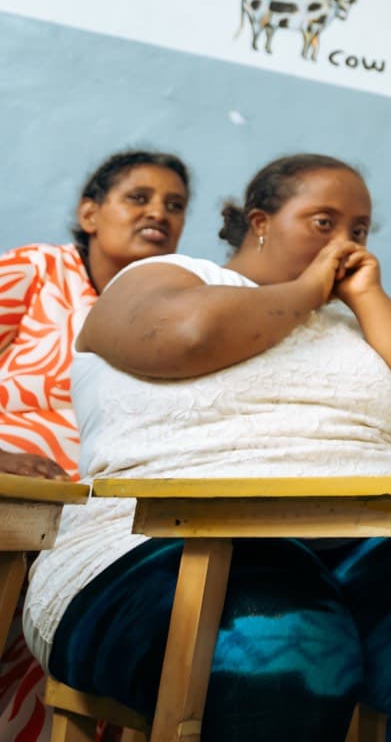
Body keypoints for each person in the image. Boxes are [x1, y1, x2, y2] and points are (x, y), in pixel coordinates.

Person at [23, 154, 391, 742]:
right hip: (162, 544)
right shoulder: (169, 276)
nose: (347, 243)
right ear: (260, 221)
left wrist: (368, 297)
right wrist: (307, 290)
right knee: (290, 636)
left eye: (360, 230)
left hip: (372, 540)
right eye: (324, 222)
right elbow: (185, 337)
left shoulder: (362, 320)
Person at [0, 151, 190, 742]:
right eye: (138, 197)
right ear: (90, 214)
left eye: (175, 205)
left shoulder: (177, 312)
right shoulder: (38, 270)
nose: (158, 213)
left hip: (95, 521)